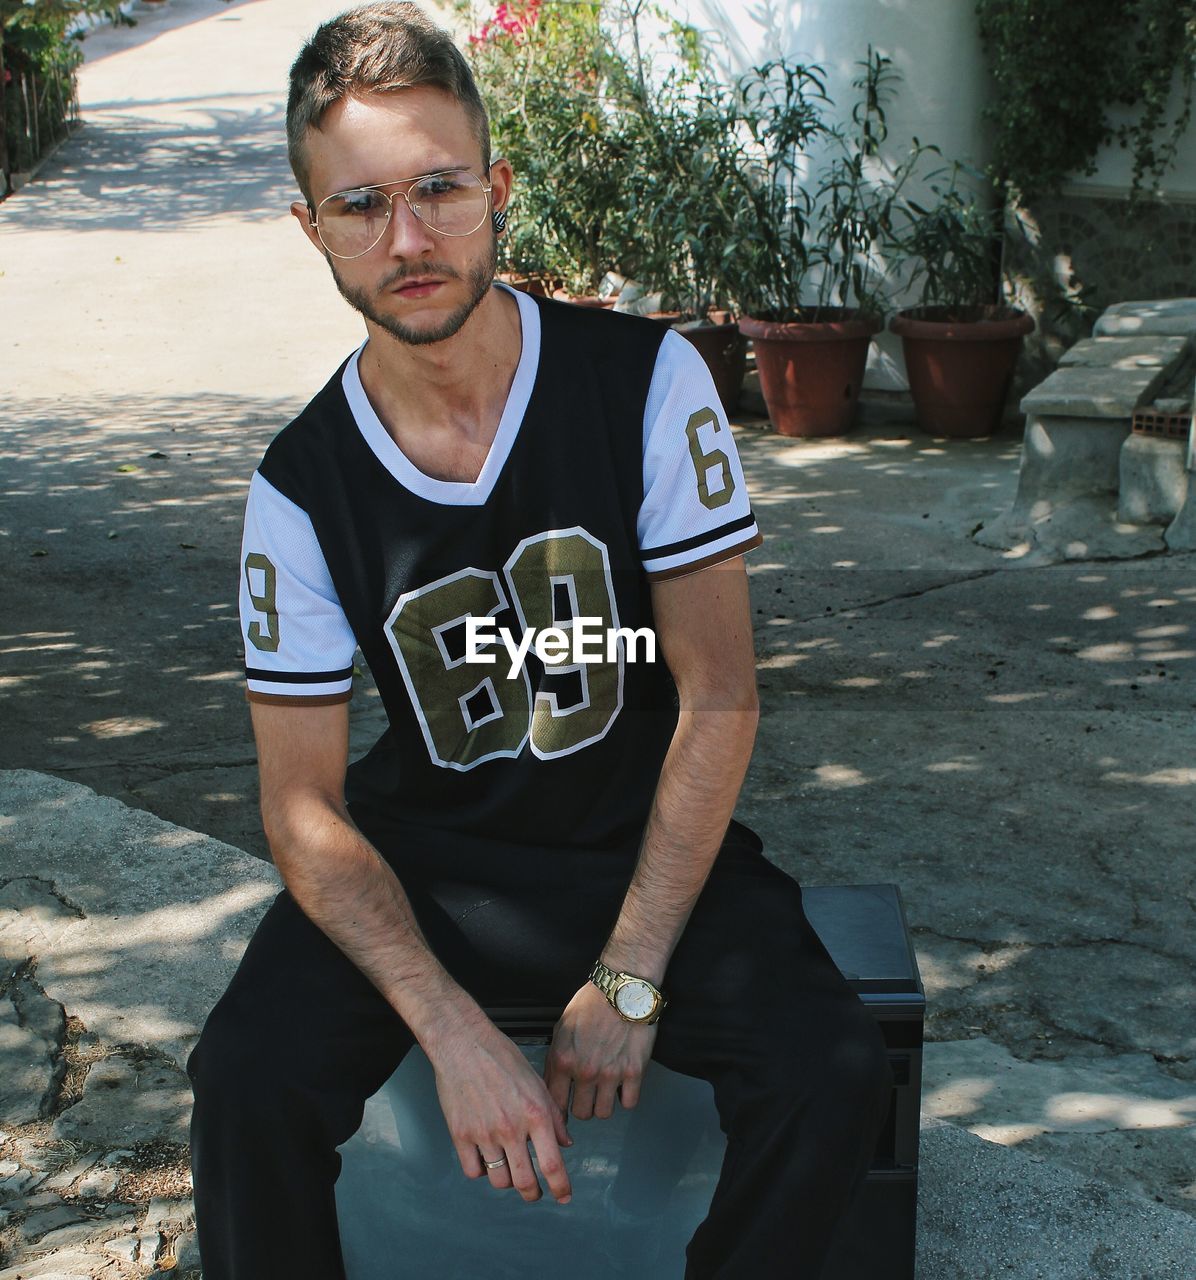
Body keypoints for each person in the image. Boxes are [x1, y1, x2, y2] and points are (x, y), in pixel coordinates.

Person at [185, 4, 894, 1277]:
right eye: (357, 206)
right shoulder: (298, 486)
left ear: (496, 188)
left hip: (640, 829)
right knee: (245, 1078)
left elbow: (718, 697)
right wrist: (452, 1030)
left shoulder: (645, 380)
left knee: (831, 1069)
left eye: (438, 189)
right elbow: (299, 805)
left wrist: (628, 978)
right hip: (434, 857)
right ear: (311, 229)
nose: (406, 239)